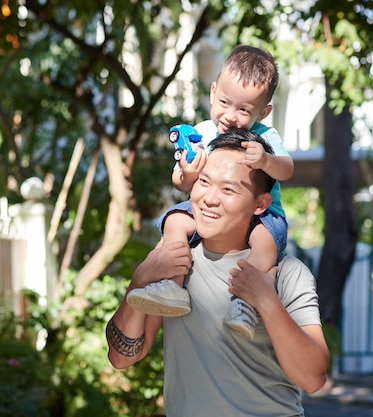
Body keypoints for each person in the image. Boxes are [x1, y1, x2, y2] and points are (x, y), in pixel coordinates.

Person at [106, 129, 329, 416]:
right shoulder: (174, 264)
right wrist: (139, 282)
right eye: (204, 182)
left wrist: (266, 300)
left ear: (261, 203)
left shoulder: (286, 273)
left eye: (228, 190)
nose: (209, 198)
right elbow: (122, 358)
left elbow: (313, 378)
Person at [126, 45, 294, 340]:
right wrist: (187, 174)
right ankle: (173, 285)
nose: (230, 116)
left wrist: (266, 160)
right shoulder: (202, 132)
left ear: (264, 112)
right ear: (213, 91)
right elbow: (179, 179)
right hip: (209, 207)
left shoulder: (266, 137)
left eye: (244, 110)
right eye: (224, 102)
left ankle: (244, 303)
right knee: (175, 221)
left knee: (265, 244)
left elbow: (287, 169)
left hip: (263, 214)